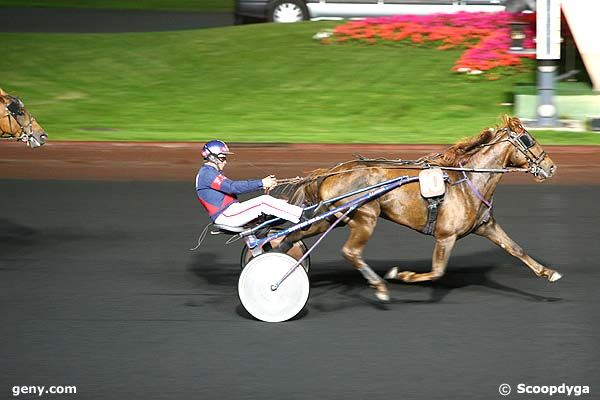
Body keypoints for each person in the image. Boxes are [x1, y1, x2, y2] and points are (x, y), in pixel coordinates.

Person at [195, 140, 304, 228]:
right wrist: (262, 183)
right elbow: (232, 187)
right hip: (226, 215)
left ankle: (298, 211)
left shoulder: (211, 173)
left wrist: (264, 184)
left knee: (277, 202)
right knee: (264, 202)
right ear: (213, 157)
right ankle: (303, 216)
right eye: (223, 158)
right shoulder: (207, 174)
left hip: (232, 211)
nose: (225, 161)